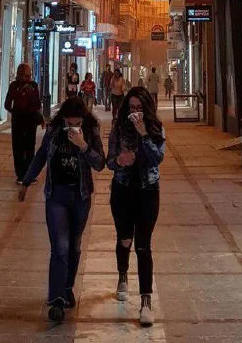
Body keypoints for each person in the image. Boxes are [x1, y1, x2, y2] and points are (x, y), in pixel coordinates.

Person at [19, 97, 105, 323]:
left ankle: (67, 288)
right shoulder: (54, 131)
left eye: (77, 123)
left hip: (80, 196)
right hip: (56, 195)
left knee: (74, 247)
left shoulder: (91, 131)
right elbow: (41, 155)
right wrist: (27, 181)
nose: (72, 127)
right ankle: (56, 299)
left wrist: (83, 145)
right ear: (63, 119)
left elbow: (99, 163)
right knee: (60, 247)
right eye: (69, 123)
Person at [107, 86, 165, 327]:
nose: (135, 113)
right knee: (124, 239)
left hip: (147, 191)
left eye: (139, 108)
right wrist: (120, 160)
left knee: (143, 245)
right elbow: (109, 161)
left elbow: (157, 158)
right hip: (122, 190)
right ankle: (122, 275)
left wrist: (143, 134)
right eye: (131, 108)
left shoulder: (155, 128)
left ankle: (146, 302)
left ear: (146, 108)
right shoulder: (118, 128)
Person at [4, 63, 44, 184]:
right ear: (20, 75)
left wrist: (39, 116)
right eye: (27, 75)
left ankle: (29, 173)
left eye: (30, 75)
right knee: (18, 148)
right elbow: (7, 103)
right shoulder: (14, 86)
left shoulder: (34, 85)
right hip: (18, 121)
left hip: (30, 120)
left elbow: (38, 103)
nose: (29, 78)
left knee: (30, 147)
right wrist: (15, 112)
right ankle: (21, 174)